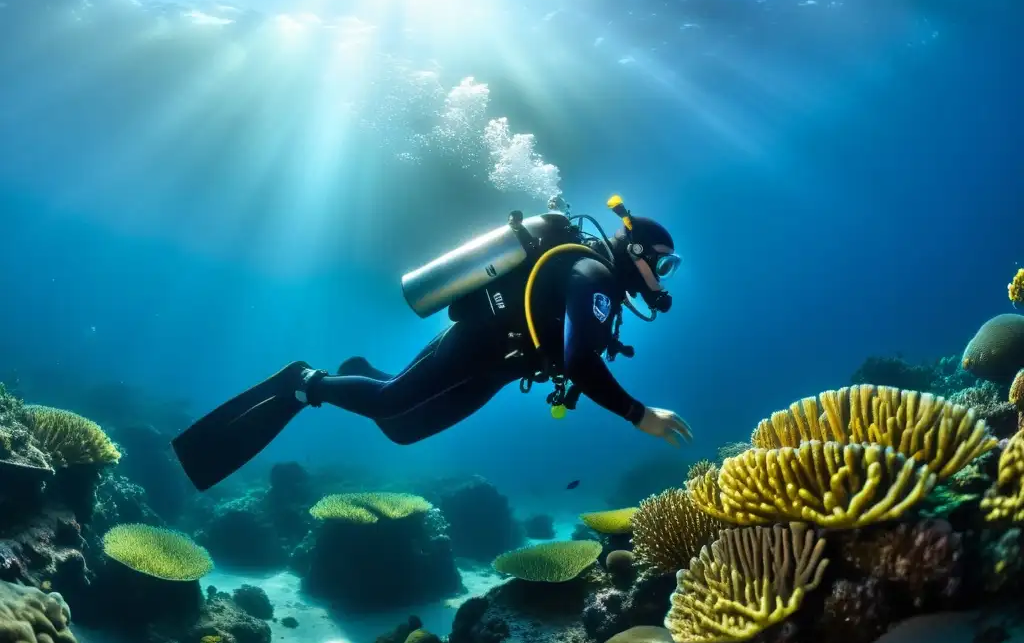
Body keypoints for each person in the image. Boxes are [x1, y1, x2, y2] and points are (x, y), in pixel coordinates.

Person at [171, 203, 693, 492]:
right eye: (663, 265)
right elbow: (579, 361)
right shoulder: (594, 274)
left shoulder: (592, 275)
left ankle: (360, 371)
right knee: (391, 404)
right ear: (638, 254)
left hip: (494, 365)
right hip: (478, 346)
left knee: (405, 430)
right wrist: (638, 413)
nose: (663, 281)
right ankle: (305, 382)